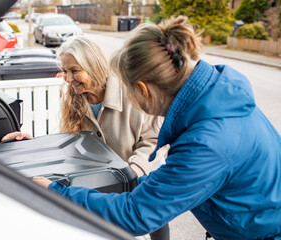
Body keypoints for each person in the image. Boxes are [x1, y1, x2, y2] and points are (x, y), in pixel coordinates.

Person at [33, 16, 281, 240]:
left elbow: (136, 214)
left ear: (142, 90)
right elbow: (166, 182)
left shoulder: (207, 142)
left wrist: (58, 194)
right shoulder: (217, 98)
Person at [2, 36, 170, 239]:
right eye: (64, 71)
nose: (68, 78)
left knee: (153, 219)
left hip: (141, 179)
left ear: (94, 66)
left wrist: (131, 173)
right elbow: (70, 141)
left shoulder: (131, 91)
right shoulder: (73, 97)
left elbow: (154, 141)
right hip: (105, 186)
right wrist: (33, 145)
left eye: (74, 71)